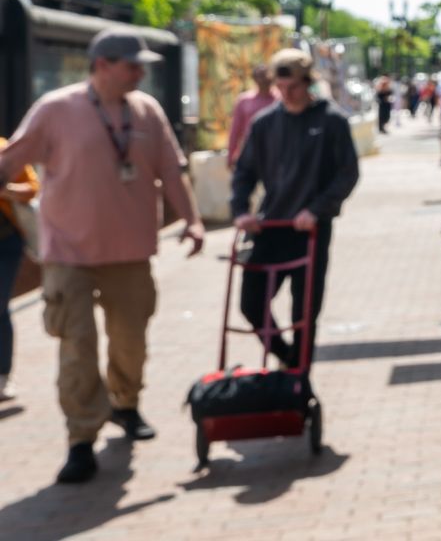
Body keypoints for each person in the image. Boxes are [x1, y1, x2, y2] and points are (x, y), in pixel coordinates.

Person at [0, 29, 205, 484]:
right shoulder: (56, 109)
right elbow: (11, 161)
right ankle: (80, 439)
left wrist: (191, 220)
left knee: (130, 339)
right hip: (67, 252)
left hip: (130, 251)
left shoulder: (147, 111)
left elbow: (172, 171)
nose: (141, 71)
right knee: (77, 346)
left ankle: (126, 404)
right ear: (103, 65)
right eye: (133, 64)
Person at [230, 48, 360, 373]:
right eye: (281, 88)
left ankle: (300, 380)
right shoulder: (264, 124)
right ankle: (289, 360)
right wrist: (241, 210)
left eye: (294, 87)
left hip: (310, 229)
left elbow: (348, 172)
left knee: (304, 312)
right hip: (270, 226)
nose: (288, 94)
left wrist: (318, 209)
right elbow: (244, 171)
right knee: (251, 303)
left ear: (308, 82)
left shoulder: (331, 120)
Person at [0, 135, 39, 403]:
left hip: (6, 242)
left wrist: (4, 189)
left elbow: (33, 188)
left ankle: (3, 375)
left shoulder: (5, 148)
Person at [227, 63, 278, 171]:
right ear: (254, 78)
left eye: (266, 75)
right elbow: (235, 130)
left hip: (276, 150)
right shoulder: (244, 100)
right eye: (260, 76)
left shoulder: (280, 99)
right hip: (251, 150)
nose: (264, 79)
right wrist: (231, 154)